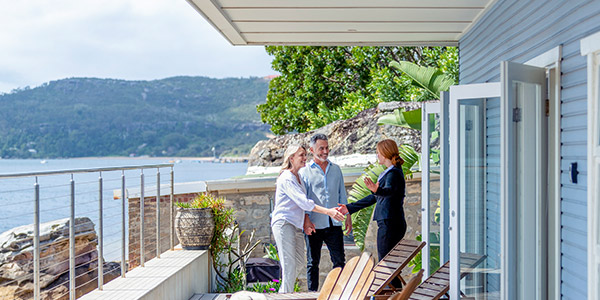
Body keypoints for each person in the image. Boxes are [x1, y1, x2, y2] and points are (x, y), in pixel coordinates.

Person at [271, 144, 345, 293]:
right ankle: (284, 297)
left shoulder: (298, 177)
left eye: (305, 155)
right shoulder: (286, 178)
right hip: (284, 224)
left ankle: (282, 294)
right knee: (289, 266)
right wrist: (329, 212)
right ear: (291, 158)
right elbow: (304, 202)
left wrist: (306, 220)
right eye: (301, 155)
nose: (305, 158)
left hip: (295, 225)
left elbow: (303, 205)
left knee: (298, 263)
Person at [336, 139, 407, 262]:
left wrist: (377, 190)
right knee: (388, 264)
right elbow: (374, 197)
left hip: (390, 224)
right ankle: (393, 282)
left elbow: (388, 192)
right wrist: (349, 208)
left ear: (385, 153)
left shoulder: (393, 174)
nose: (377, 155)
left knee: (386, 265)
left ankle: (391, 282)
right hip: (389, 223)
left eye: (378, 152)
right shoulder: (390, 172)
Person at [300, 133, 352, 292]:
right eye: (321, 148)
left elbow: (342, 194)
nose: (325, 151)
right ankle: (312, 295)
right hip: (314, 224)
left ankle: (340, 293)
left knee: (339, 261)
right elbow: (304, 200)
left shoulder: (336, 169)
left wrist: (348, 216)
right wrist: (306, 220)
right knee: (312, 263)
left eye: (327, 148)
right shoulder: (304, 172)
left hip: (334, 223)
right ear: (312, 149)